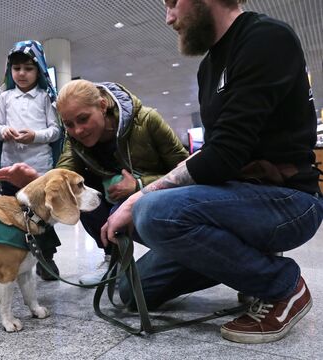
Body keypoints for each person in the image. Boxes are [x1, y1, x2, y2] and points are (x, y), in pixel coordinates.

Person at [100, 0, 323, 344]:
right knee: (131, 291)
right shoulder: (209, 68)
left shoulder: (265, 38)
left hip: (290, 201)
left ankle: (282, 285)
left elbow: (223, 156)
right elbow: (216, 154)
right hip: (238, 199)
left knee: (153, 212)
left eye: (174, 2)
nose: (168, 17)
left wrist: (141, 195)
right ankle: (252, 264)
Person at [0, 79, 189, 285]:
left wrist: (140, 185)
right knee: (82, 193)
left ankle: (176, 252)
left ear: (102, 106)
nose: (78, 130)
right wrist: (36, 181)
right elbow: (64, 176)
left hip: (156, 205)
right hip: (115, 205)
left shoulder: (147, 120)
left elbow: (186, 170)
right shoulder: (75, 141)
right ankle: (113, 257)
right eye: (69, 124)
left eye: (83, 119)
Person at [0, 40, 63, 280]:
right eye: (16, 68)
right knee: (9, 214)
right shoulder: (4, 97)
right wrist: (3, 132)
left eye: (28, 68)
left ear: (39, 70)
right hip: (9, 165)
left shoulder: (45, 98)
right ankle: (5, 260)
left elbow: (55, 130)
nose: (21, 73)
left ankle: (46, 258)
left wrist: (35, 136)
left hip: (38, 167)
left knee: (40, 214)